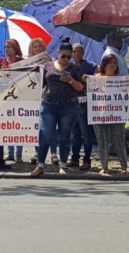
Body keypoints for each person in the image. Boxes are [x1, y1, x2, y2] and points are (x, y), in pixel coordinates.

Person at [31, 38, 84, 177]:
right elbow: (41, 83)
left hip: (68, 106)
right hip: (49, 105)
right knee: (45, 134)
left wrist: (71, 80)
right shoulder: (48, 66)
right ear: (58, 53)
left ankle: (63, 165)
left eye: (69, 56)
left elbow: (81, 87)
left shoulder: (74, 68)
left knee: (65, 135)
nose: (66, 59)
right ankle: (40, 165)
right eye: (63, 56)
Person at [92, 54, 129, 175]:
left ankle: (124, 167)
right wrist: (87, 80)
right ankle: (104, 166)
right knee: (102, 141)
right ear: (104, 65)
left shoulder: (120, 79)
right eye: (110, 62)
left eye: (114, 62)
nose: (113, 65)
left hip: (117, 114)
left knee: (119, 140)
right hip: (100, 114)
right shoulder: (96, 78)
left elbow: (127, 94)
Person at [67, 43, 97, 170]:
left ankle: (87, 159)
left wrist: (89, 78)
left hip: (85, 104)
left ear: (83, 53)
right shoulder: (68, 66)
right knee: (75, 134)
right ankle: (74, 158)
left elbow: (99, 73)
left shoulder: (88, 65)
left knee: (86, 133)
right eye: (74, 52)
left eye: (79, 52)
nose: (77, 54)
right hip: (72, 104)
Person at [27, 37, 54, 165]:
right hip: (33, 98)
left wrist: (50, 63)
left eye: (39, 46)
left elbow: (56, 74)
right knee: (36, 126)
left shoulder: (50, 61)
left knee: (51, 125)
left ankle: (54, 153)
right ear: (31, 50)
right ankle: (37, 152)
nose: (37, 49)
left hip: (49, 96)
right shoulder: (27, 63)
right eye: (35, 46)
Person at [1, 39, 25, 163]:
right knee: (8, 126)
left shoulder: (22, 62)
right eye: (5, 47)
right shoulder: (2, 62)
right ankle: (10, 153)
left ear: (15, 48)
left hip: (20, 99)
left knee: (18, 127)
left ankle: (19, 154)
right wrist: (2, 71)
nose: (6, 49)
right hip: (6, 100)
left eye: (9, 46)